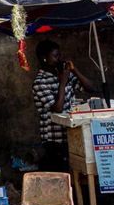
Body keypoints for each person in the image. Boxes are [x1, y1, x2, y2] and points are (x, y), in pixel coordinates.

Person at [32, 40, 95, 172]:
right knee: (61, 175)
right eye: (55, 56)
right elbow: (57, 108)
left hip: (71, 136)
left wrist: (74, 70)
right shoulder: (40, 82)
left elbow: (90, 88)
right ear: (44, 59)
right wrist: (63, 82)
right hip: (54, 140)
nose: (59, 59)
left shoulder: (64, 75)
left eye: (59, 55)